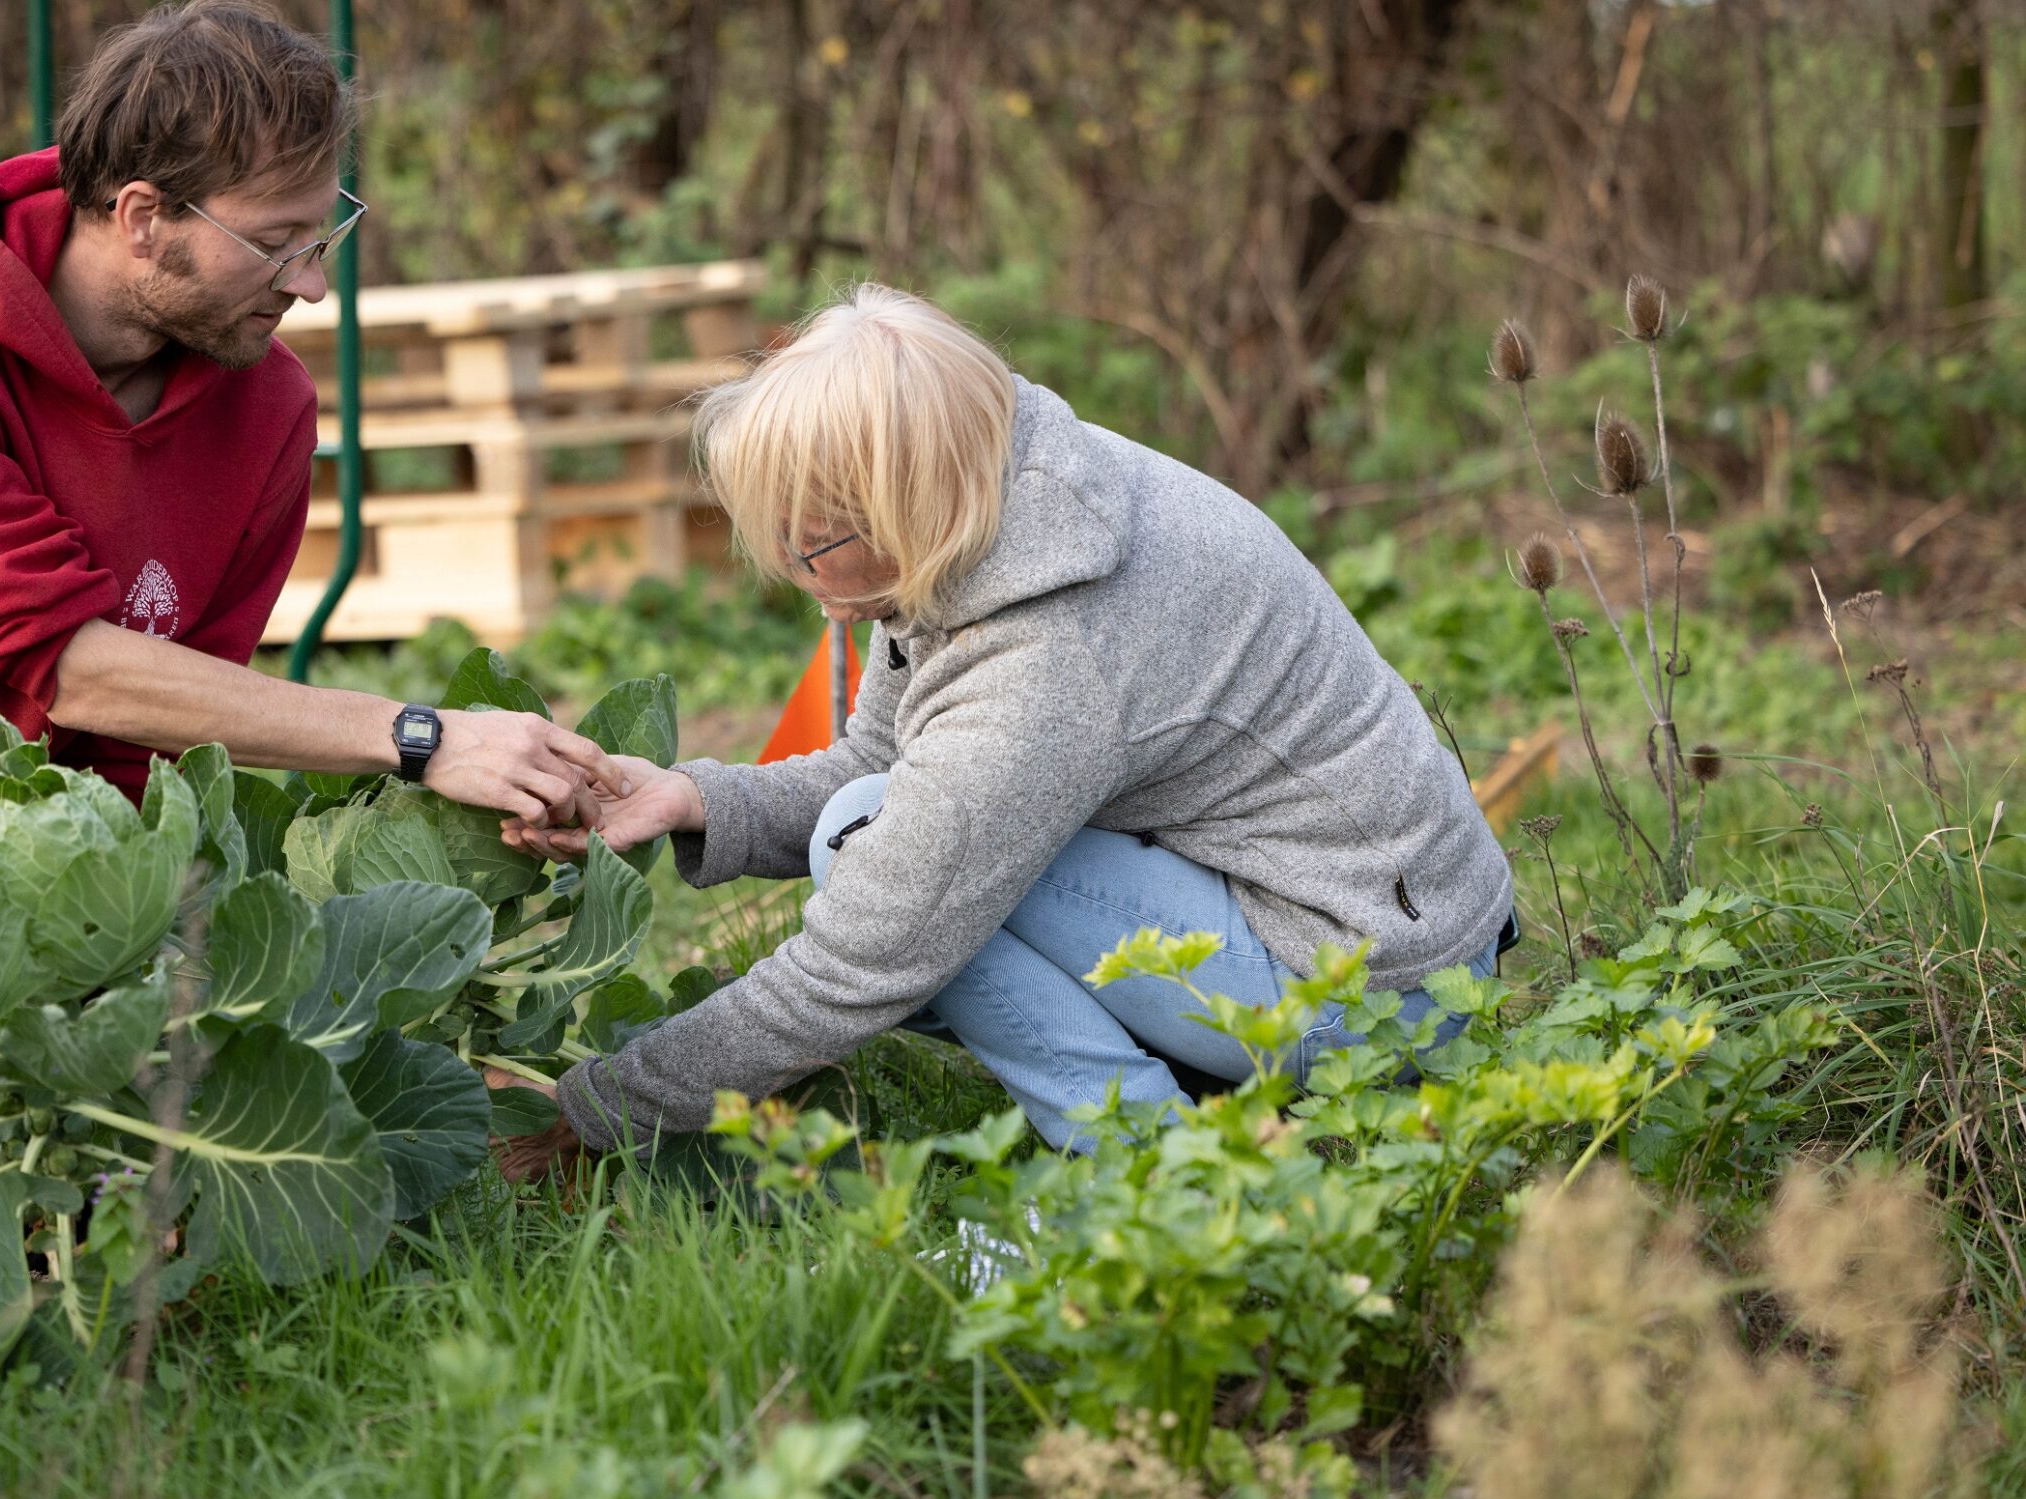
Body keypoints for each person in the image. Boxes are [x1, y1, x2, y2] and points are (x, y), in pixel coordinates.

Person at [0, 0, 618, 978]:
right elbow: (68, 664)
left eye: (325, 232)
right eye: (275, 244)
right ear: (141, 217)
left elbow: (165, 729)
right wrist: (417, 738)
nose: (312, 283)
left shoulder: (266, 409)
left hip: (10, 871)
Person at [492, 285, 1514, 1175]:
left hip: (1373, 995)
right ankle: (1193, 1123)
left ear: (903, 507)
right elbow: (890, 761)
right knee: (873, 825)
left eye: (816, 548)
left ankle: (1162, 1172)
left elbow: (862, 961)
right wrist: (701, 799)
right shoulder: (1009, 490)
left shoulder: (1051, 659)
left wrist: (595, 1107)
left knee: (872, 853)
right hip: (1359, 921)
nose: (812, 590)